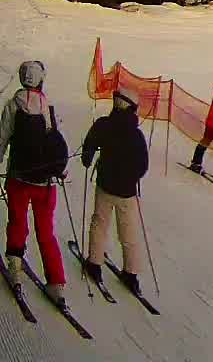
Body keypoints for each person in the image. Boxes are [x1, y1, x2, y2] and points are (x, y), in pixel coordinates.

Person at [0, 61, 69, 304]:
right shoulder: (48, 107)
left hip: (19, 178)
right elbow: (58, 143)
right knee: (46, 232)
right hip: (45, 184)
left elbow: (2, 138)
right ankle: (56, 282)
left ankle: (15, 269)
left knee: (17, 223)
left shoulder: (12, 106)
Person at [79, 87, 150, 295]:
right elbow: (143, 165)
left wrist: (87, 157)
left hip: (105, 186)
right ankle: (131, 273)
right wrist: (131, 178)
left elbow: (89, 145)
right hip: (127, 192)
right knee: (128, 231)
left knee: (99, 223)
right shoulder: (136, 134)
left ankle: (94, 263)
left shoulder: (104, 124)